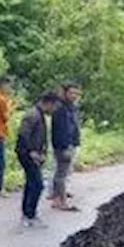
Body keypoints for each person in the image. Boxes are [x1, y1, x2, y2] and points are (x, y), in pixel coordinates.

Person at [17, 92, 60, 227]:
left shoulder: (39, 115)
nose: (54, 110)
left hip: (32, 153)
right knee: (37, 184)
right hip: (28, 154)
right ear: (48, 103)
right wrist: (32, 152)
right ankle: (30, 214)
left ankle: (28, 214)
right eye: (54, 107)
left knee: (31, 183)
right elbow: (23, 135)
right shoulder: (33, 115)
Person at [50, 81, 82, 212]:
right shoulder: (60, 108)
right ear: (65, 92)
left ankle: (57, 198)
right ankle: (61, 202)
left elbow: (73, 126)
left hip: (70, 143)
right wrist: (65, 147)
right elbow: (61, 130)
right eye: (71, 92)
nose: (74, 95)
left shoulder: (71, 106)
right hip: (63, 145)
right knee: (61, 173)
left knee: (63, 171)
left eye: (76, 93)